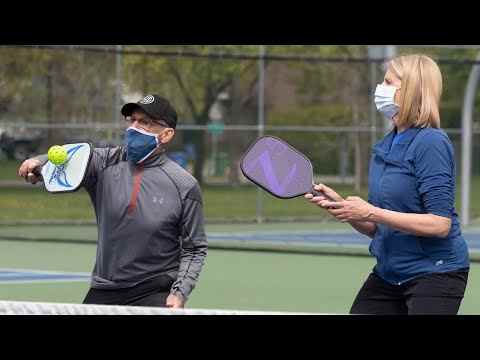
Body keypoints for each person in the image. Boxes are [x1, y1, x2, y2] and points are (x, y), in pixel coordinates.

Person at [306, 54, 469, 315]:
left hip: (436, 272)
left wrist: (370, 211)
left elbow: (440, 224)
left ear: (410, 91)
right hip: (389, 273)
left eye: (388, 81)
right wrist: (343, 207)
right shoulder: (385, 146)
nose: (380, 88)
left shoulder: (431, 143)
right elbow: (378, 228)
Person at [18, 94, 208, 308]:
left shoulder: (184, 185)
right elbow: (69, 158)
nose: (134, 127)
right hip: (104, 288)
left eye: (144, 122)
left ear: (166, 134)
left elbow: (195, 248)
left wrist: (179, 293)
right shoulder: (104, 162)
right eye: (132, 120)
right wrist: (39, 163)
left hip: (154, 289)